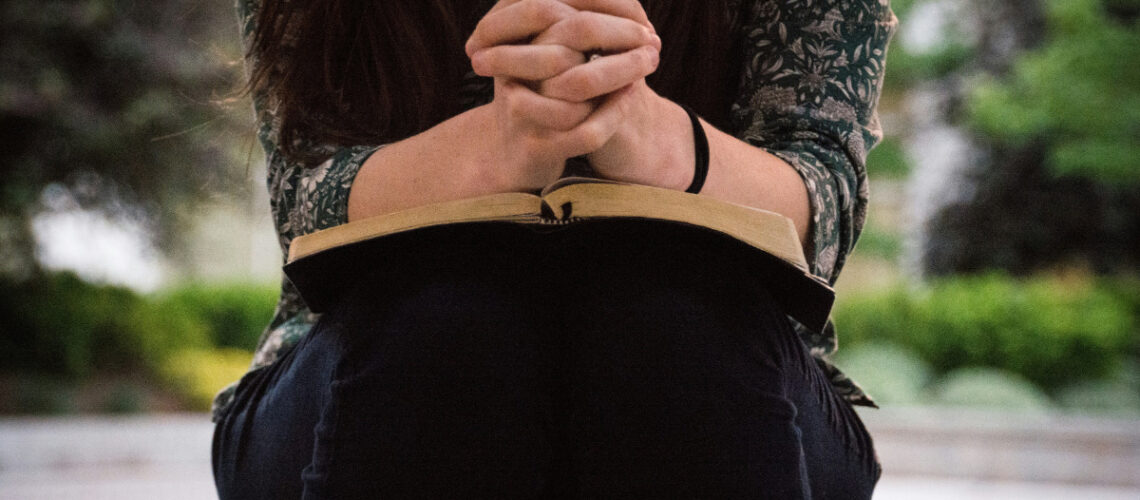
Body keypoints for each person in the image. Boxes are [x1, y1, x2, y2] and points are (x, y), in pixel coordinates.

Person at [212, 0, 896, 498]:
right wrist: (493, 148)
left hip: (724, 367)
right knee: (449, 326)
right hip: (374, 359)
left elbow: (824, 212)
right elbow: (302, 204)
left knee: (672, 327)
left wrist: (650, 135)